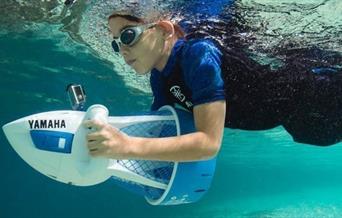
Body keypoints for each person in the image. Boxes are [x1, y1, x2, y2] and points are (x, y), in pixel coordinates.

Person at [83, 11, 342, 162]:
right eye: (116, 43)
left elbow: (208, 143)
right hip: (297, 121)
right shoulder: (158, 77)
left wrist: (126, 146)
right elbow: (159, 129)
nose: (123, 50)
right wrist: (107, 139)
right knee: (317, 137)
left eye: (128, 35)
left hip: (316, 94)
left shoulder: (199, 54)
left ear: (163, 29)